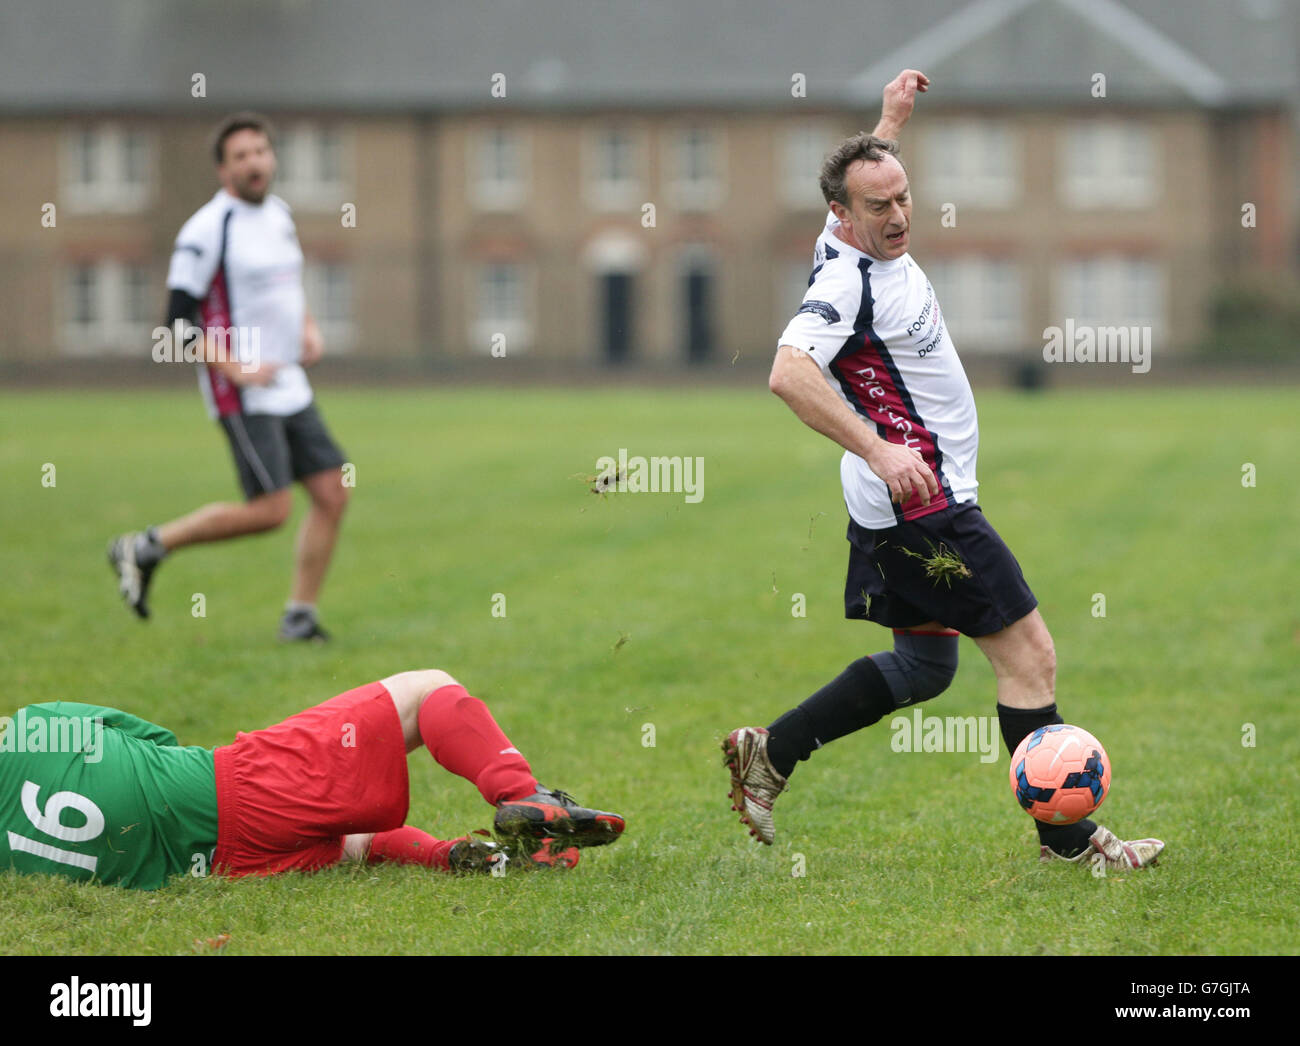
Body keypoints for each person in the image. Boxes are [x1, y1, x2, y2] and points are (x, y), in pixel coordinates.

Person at [722, 72, 1163, 871]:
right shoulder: (842, 280)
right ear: (840, 217)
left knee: (926, 668)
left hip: (900, 505)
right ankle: (1068, 842)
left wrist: (889, 122)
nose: (898, 216)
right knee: (1031, 656)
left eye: (903, 197)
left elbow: (872, 168)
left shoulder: (851, 230)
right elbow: (788, 373)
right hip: (926, 506)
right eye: (878, 206)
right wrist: (881, 449)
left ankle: (771, 751)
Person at [0, 669, 624, 889]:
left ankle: (456, 857)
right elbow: (152, 739)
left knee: (348, 844)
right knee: (428, 689)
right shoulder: (35, 725)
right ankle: (523, 797)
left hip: (218, 866)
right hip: (234, 786)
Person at [108, 112, 348, 642]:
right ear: (223, 170)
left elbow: (287, 284)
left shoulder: (280, 215)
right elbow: (174, 326)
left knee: (333, 491)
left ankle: (299, 616)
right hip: (241, 393)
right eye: (241, 156)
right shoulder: (206, 229)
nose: (254, 163)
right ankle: (147, 545)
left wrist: (308, 326)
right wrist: (235, 367)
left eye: (261, 151)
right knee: (270, 510)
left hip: (288, 383)